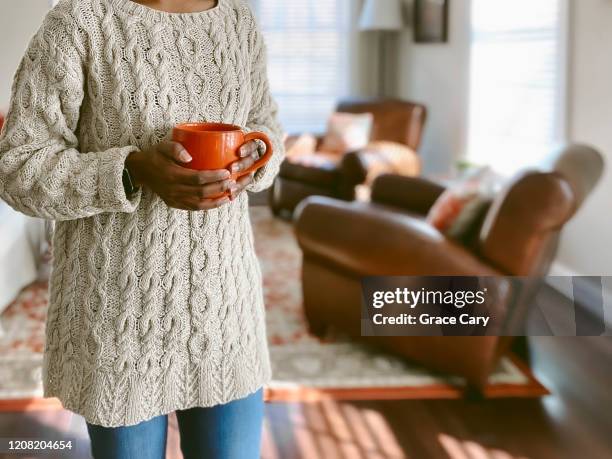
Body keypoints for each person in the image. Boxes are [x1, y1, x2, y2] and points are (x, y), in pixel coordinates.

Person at [0, 0, 285, 457]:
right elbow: (17, 167)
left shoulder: (237, 20)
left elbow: (267, 126)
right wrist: (132, 170)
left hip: (227, 316)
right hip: (118, 324)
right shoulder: (80, 20)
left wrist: (251, 161)